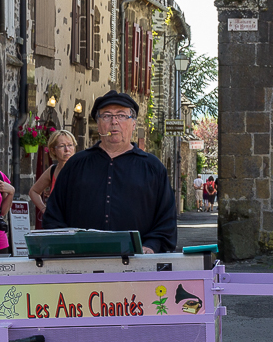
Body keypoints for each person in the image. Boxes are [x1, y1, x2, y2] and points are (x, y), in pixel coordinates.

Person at [42, 90, 177, 254]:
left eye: (121, 115)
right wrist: (65, 246)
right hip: (81, 261)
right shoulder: (75, 165)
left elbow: (166, 218)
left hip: (136, 261)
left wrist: (151, 246)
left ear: (133, 123)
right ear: (98, 124)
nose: (114, 122)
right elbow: (54, 215)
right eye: (106, 116)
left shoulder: (153, 167)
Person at [28, 130, 77, 228]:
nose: (67, 149)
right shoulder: (52, 170)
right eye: (62, 146)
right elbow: (33, 191)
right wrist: (45, 210)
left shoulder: (81, 168)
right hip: (56, 224)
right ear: (53, 150)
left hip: (76, 222)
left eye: (70, 145)